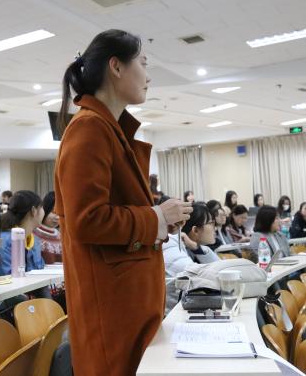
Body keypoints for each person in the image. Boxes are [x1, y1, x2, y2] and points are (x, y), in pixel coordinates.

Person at [54, 29, 192, 375]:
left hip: (126, 304)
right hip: (111, 310)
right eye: (142, 63)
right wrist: (155, 217)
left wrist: (159, 221)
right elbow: (87, 220)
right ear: (116, 67)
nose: (148, 76)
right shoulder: (89, 128)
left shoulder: (106, 128)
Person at [162, 202, 219, 313]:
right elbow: (209, 275)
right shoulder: (170, 244)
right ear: (195, 230)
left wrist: (196, 248)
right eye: (211, 223)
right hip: (169, 317)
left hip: (185, 309)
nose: (215, 228)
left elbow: (218, 267)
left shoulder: (191, 246)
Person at [0, 190, 46, 277]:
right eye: (42, 207)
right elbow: (5, 277)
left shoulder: (34, 240)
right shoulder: (4, 241)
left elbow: (40, 270)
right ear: (34, 210)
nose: (44, 212)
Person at [33, 191, 62, 264]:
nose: (57, 217)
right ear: (45, 209)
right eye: (53, 212)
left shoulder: (60, 236)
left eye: (60, 213)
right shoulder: (33, 233)